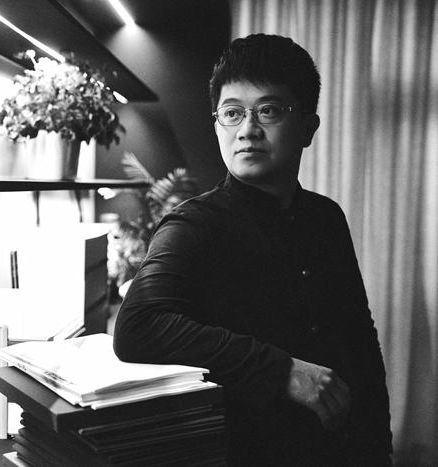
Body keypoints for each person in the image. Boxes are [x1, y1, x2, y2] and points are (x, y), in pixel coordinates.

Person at [112, 33, 392, 466]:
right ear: (217, 125)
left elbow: (360, 339)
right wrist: (281, 370)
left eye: (269, 110)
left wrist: (380, 447)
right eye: (232, 113)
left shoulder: (326, 217)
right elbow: (138, 327)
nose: (248, 130)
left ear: (308, 128)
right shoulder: (193, 225)